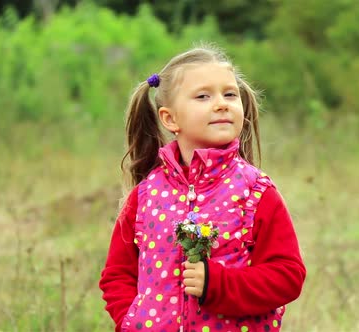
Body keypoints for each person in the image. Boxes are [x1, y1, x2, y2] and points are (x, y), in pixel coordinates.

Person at [99, 44, 306, 332]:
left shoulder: (256, 193)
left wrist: (217, 284)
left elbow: (287, 276)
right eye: (203, 96)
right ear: (170, 119)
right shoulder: (146, 196)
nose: (221, 103)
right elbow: (117, 274)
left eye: (230, 94)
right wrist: (132, 320)